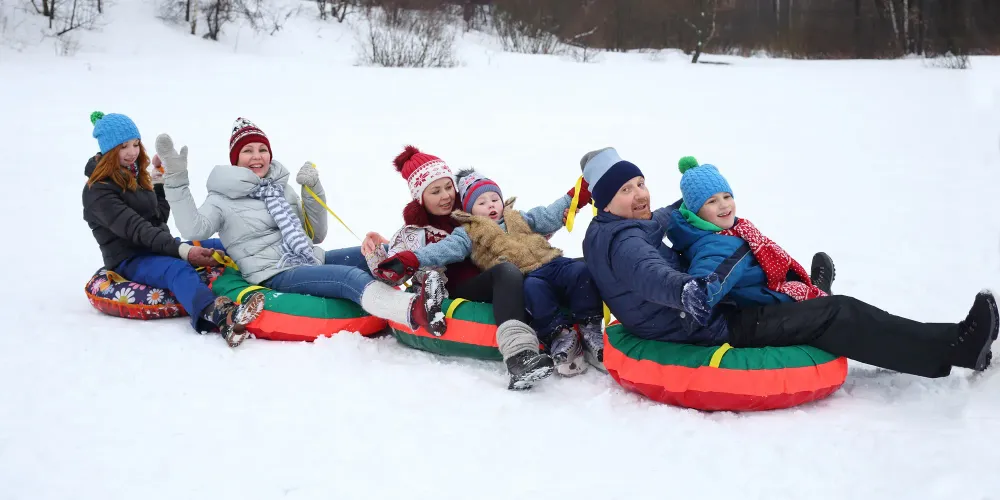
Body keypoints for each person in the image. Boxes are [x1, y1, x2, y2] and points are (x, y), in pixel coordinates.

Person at [580, 147, 997, 378]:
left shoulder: (612, 227)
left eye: (640, 183)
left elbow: (661, 218)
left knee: (798, 300)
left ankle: (812, 294)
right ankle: (956, 346)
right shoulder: (626, 244)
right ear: (606, 201)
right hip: (710, 325)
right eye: (626, 190)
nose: (640, 195)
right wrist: (688, 291)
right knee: (838, 314)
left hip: (700, 315)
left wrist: (694, 200)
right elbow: (648, 273)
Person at [157, 118, 446, 336]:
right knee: (347, 277)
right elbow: (194, 229)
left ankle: (434, 282)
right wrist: (176, 180)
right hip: (273, 272)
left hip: (307, 257)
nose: (257, 156)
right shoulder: (221, 198)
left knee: (376, 252)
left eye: (262, 149)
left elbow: (315, 235)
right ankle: (413, 310)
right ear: (235, 159)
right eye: (248, 151)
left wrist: (312, 189)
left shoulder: (279, 189)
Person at [374, 169, 603, 377]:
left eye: (495, 199)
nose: (491, 205)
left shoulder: (519, 217)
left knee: (582, 269)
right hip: (528, 276)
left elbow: (549, 214)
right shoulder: (468, 232)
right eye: (481, 202)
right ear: (469, 210)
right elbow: (444, 249)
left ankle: (590, 327)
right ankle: (559, 337)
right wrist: (412, 258)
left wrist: (578, 194)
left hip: (552, 262)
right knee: (534, 291)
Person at [82, 111, 264, 347]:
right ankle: (221, 316)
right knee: (178, 270)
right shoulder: (98, 191)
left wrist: (159, 182)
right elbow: (138, 230)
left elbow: (158, 218)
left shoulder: (133, 174)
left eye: (135, 144)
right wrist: (184, 251)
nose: (132, 152)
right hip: (130, 258)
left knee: (225, 244)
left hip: (157, 245)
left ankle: (273, 272)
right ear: (108, 150)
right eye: (123, 146)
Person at [664, 156, 833, 307]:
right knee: (840, 309)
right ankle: (817, 296)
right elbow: (705, 281)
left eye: (727, 196)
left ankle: (810, 286)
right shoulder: (716, 245)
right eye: (712, 201)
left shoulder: (730, 230)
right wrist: (698, 294)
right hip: (769, 303)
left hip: (764, 288)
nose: (724, 205)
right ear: (695, 212)